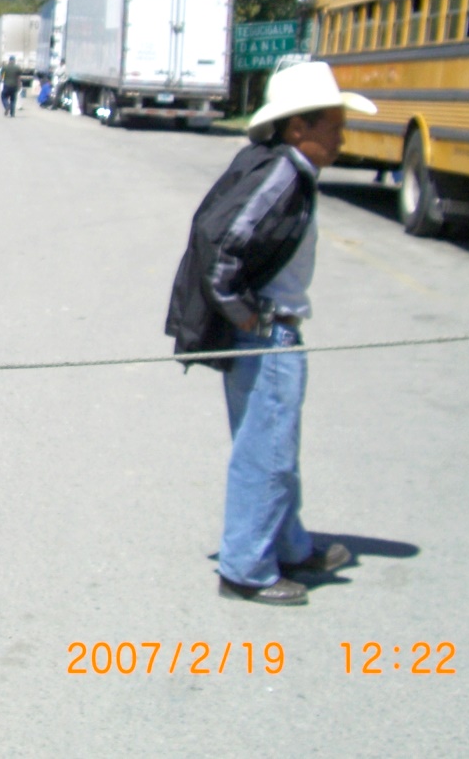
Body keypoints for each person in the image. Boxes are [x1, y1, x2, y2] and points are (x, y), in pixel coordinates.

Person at [164, 61, 375, 606]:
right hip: (267, 337)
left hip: (270, 334)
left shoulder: (286, 169)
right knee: (266, 454)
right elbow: (220, 248)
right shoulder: (282, 174)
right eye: (334, 127)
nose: (342, 138)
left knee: (275, 447)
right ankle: (246, 569)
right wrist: (247, 317)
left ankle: (289, 546)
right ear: (299, 127)